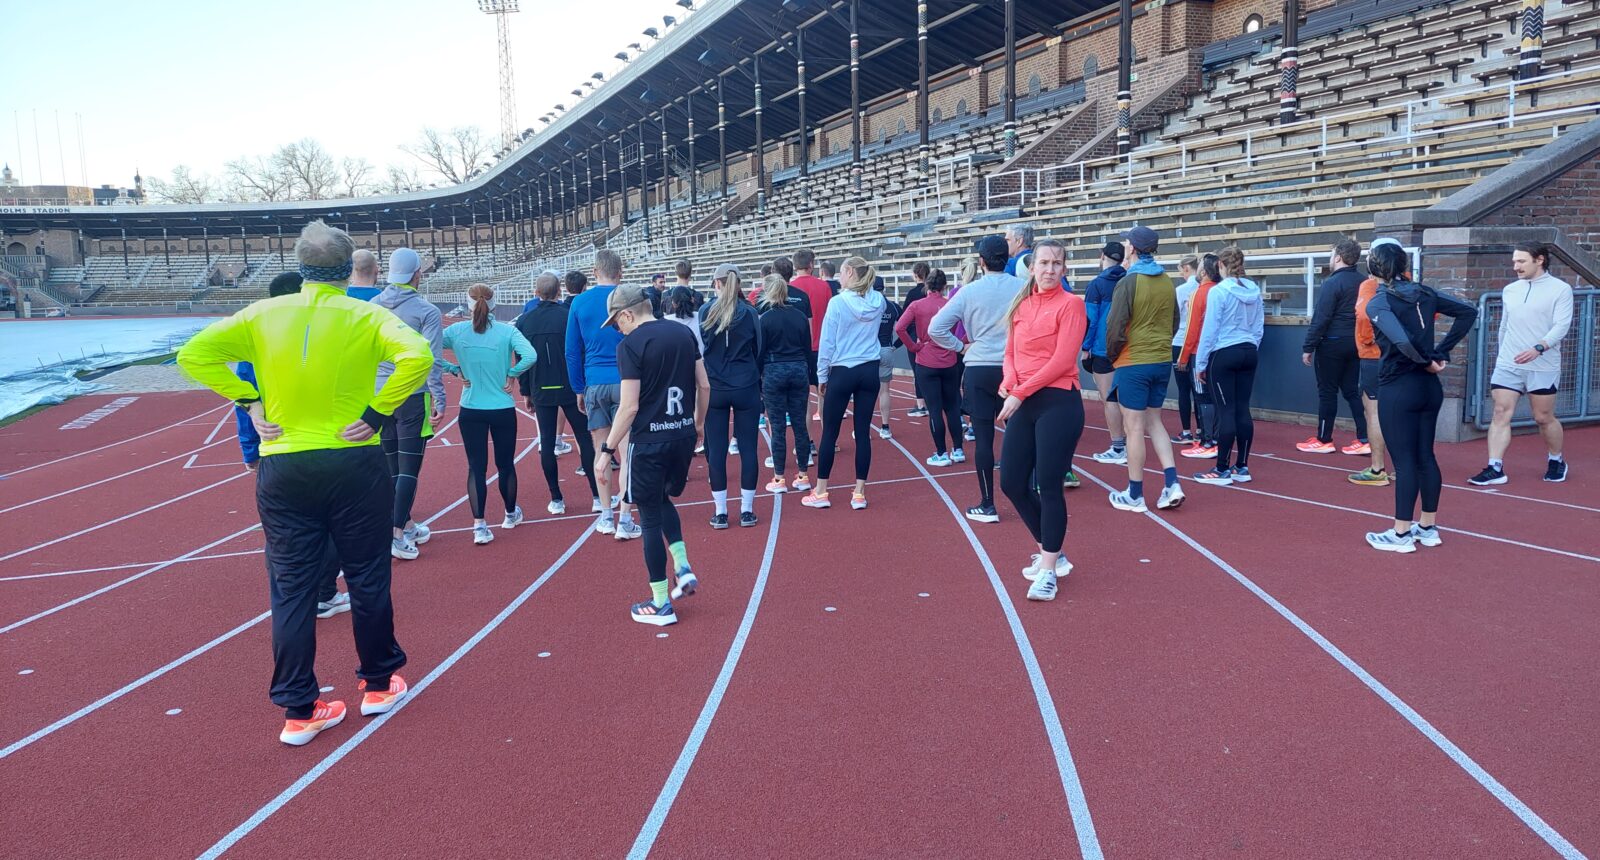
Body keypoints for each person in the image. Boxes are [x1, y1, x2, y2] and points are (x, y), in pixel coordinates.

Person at [176, 219, 427, 746]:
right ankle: (378, 684)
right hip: (352, 460)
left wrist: (247, 400)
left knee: (290, 587)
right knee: (367, 575)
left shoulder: (260, 314)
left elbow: (192, 354)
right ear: (346, 267)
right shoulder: (366, 315)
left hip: (284, 462)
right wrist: (379, 412)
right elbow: (419, 356)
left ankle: (298, 708)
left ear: (299, 265)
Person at [234, 272, 351, 621]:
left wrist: (249, 451)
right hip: (325, 447)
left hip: (278, 453)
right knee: (329, 525)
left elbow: (244, 396)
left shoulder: (256, 336)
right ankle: (323, 593)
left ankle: (292, 597)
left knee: (282, 530)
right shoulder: (324, 334)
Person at [597, 285, 710, 626]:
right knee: (662, 499)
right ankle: (683, 565)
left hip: (648, 441)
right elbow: (704, 385)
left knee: (647, 517)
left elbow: (629, 406)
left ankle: (661, 603)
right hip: (682, 434)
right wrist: (698, 423)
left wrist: (605, 450)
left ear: (627, 314)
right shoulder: (683, 332)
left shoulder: (630, 345)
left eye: (617, 322)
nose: (618, 329)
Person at [1363, 242, 1478, 552]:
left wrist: (1430, 358)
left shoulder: (1379, 302)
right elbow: (1469, 312)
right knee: (1425, 456)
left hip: (1400, 387)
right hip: (1429, 389)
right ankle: (1427, 526)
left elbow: (1400, 340)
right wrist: (1441, 352)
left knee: (1404, 460)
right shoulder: (1425, 293)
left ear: (1374, 268)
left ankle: (1401, 534)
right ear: (1403, 266)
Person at [997, 238, 1087, 602]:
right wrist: (1008, 380)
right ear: (1032, 267)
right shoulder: (1022, 303)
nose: (1050, 270)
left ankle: (1048, 570)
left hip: (1058, 401)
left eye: (1057, 264)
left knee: (1048, 484)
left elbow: (1064, 361)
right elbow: (1010, 352)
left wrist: (1020, 392)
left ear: (1064, 269)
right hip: (1025, 399)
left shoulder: (1072, 305)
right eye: (1044, 263)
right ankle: (1052, 549)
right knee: (1012, 482)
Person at [931, 236, 1024, 522]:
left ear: (981, 262)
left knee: (983, 438)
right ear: (1006, 259)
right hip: (1014, 369)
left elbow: (937, 328)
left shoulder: (969, 291)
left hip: (979, 367)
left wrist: (961, 347)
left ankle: (987, 503)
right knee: (1022, 435)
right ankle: (1029, 493)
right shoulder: (1023, 287)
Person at [1471, 241, 1573, 485]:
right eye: (1514, 261)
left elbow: (1561, 326)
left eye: (1521, 261)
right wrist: (1502, 353)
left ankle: (1556, 460)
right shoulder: (1510, 290)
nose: (1515, 266)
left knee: (1543, 417)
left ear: (1539, 260)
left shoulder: (1560, 289)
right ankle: (1495, 468)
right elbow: (1504, 325)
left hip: (1542, 363)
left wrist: (1539, 348)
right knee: (1499, 412)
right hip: (1509, 363)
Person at [441, 284, 536, 545]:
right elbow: (530, 355)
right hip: (502, 407)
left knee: (476, 467)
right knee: (505, 464)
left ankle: (479, 525)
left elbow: (427, 350)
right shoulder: (507, 331)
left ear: (468, 304)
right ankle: (509, 514)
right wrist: (513, 373)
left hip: (471, 408)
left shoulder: (456, 331)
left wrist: (454, 369)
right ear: (494, 305)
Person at [371, 247, 447, 560]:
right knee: (409, 470)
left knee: (391, 467)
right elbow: (432, 359)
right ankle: (397, 532)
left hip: (379, 396)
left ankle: (407, 523)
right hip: (412, 395)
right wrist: (439, 395)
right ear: (417, 274)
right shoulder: (426, 311)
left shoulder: (372, 307)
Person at [1104, 226, 1184, 512]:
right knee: (1155, 421)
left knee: (1134, 427)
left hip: (1133, 360)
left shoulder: (1128, 282)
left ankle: (1135, 493)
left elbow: (1114, 326)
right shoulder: (1166, 281)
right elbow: (1174, 321)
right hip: (1161, 360)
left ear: (1133, 249)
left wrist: (1113, 355)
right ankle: (1172, 481)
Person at [802, 256, 888, 511]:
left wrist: (821, 376)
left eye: (841, 272)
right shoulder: (879, 301)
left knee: (830, 432)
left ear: (850, 272)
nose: (839, 277)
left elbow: (827, 342)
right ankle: (859, 493)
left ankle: (821, 491)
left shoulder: (838, 303)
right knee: (863, 432)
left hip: (842, 369)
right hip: (869, 369)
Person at [566, 249, 640, 539]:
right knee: (626, 450)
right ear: (620, 272)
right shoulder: (631, 299)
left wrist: (578, 388)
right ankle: (625, 517)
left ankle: (607, 516)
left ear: (595, 272)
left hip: (595, 383)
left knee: (601, 451)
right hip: (627, 381)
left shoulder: (580, 302)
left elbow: (572, 351)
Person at [518, 272, 600, 515]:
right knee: (585, 440)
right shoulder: (569, 315)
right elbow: (580, 352)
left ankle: (556, 498)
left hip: (540, 387)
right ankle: (597, 495)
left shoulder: (524, 321)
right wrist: (582, 385)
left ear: (536, 292)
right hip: (570, 387)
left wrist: (525, 390)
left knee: (547, 442)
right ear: (558, 292)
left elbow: (522, 359)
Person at [1190, 247, 1264, 487]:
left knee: (1227, 411)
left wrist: (1200, 363)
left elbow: (1210, 329)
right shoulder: (1254, 290)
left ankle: (1222, 468)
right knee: (1243, 409)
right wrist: (1251, 346)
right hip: (1248, 350)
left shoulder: (1219, 292)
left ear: (1220, 264)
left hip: (1224, 352)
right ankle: (1241, 466)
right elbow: (1258, 327)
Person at [699, 263, 764, 528]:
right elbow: (758, 349)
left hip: (716, 388)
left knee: (717, 450)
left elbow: (700, 349)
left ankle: (721, 512)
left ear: (717, 283)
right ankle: (747, 510)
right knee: (748, 448)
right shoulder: (749, 313)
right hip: (745, 385)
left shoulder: (705, 311)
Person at [1299, 239, 1370, 455]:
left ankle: (1324, 439)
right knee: (1352, 391)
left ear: (1338, 257)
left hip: (1332, 343)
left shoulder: (1332, 283)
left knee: (1327, 392)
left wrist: (1308, 346)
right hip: (1356, 342)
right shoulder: (1364, 281)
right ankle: (1364, 438)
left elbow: (1322, 317)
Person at [896, 269, 965, 467]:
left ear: (927, 286)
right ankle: (958, 449)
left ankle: (941, 453)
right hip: (950, 361)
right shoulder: (950, 305)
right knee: (952, 406)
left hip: (926, 362)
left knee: (934, 409)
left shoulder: (917, 305)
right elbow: (968, 326)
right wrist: (960, 343)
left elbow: (899, 327)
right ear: (945, 287)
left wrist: (914, 346)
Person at [758, 273, 815, 494]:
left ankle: (779, 477)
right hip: (798, 368)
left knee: (778, 426)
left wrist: (759, 376)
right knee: (800, 425)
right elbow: (808, 348)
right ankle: (802, 475)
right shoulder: (800, 316)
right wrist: (810, 375)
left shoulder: (766, 319)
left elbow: (760, 352)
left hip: (774, 370)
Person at [1349, 240, 1397, 486]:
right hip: (1401, 357)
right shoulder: (1412, 286)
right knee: (1401, 414)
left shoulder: (1370, 285)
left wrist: (1367, 340)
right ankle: (1403, 466)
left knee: (1375, 412)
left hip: (1374, 357)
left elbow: (1365, 316)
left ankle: (1378, 468)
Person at [1083, 241, 1128, 464]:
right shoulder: (1130, 280)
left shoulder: (1097, 284)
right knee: (1126, 398)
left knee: (1109, 398)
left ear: (1102, 255)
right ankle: (1128, 442)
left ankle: (1118, 446)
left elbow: (1091, 320)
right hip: (1127, 347)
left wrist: (1085, 348)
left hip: (1103, 348)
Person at [1178, 254, 1222, 460]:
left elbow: (1192, 329)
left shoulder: (1200, 293)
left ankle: (1208, 441)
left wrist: (1184, 356)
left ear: (1203, 272)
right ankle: (1215, 438)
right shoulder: (1221, 290)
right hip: (1221, 350)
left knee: (1202, 395)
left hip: (1200, 351)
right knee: (1217, 396)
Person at [787, 249, 833, 422]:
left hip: (799, 350)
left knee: (803, 399)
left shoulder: (791, 289)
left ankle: (807, 443)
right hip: (823, 348)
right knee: (824, 395)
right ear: (811, 265)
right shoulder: (824, 286)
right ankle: (830, 442)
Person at [1171, 255, 1202, 444]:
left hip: (1180, 340)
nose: (1181, 274)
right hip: (1198, 343)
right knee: (1199, 389)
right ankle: (1201, 429)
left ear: (1186, 268)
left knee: (1184, 389)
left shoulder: (1181, 290)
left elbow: (1174, 317)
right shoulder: (1203, 288)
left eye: (1181, 270)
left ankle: (1186, 431)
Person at [872, 276, 903, 439]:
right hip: (886, 349)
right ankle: (885, 427)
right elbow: (907, 327)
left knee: (864, 392)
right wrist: (895, 346)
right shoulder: (893, 306)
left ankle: (862, 429)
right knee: (884, 390)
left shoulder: (867, 305)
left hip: (868, 351)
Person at [902, 261, 932, 417]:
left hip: (916, 337)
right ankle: (932, 401)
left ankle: (921, 405)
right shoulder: (932, 291)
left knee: (918, 371)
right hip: (932, 336)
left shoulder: (913, 294)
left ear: (915, 275)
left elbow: (903, 318)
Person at [664, 285, 707, 354]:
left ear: (673, 303)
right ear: (692, 299)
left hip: (676, 362)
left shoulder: (665, 321)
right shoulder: (702, 315)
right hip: (701, 361)